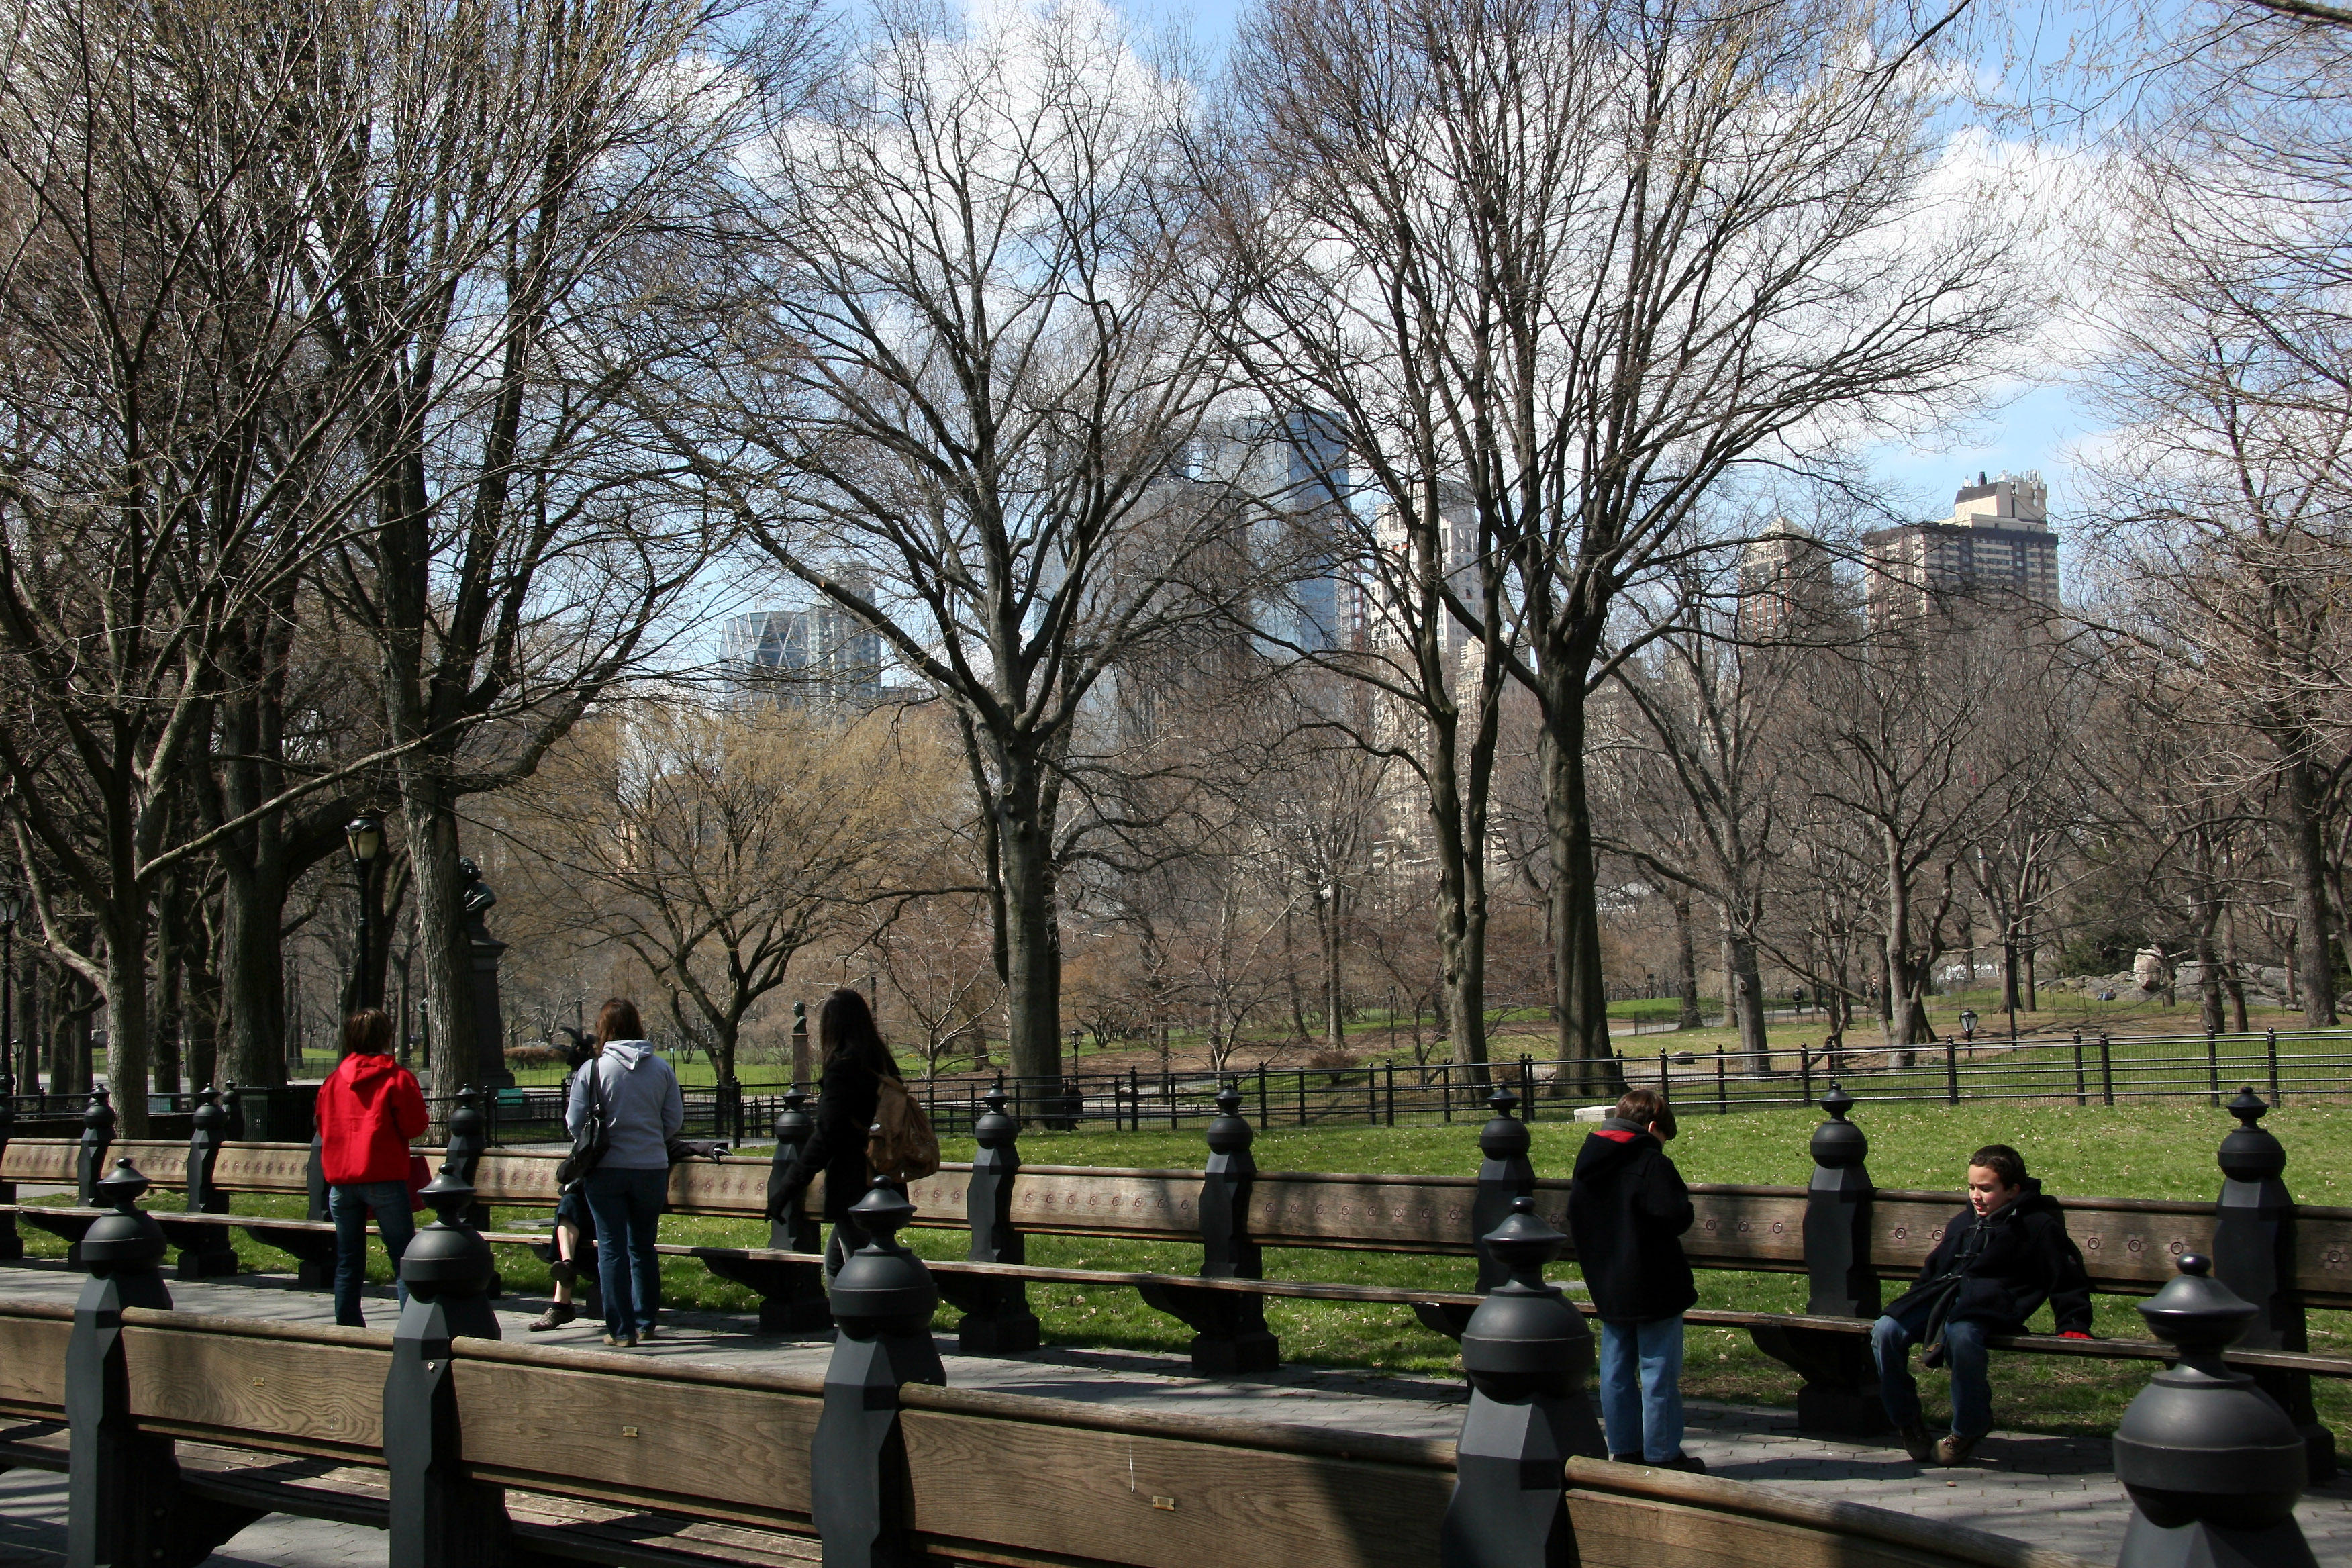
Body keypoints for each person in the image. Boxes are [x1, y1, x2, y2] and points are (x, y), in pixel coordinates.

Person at [1872, 1144, 2093, 1466]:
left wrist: (2073, 1322)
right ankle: (1907, 1421)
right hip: (1941, 1299)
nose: (1976, 1196)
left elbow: (2065, 1274)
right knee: (1885, 1330)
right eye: (1972, 1187)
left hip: (1990, 1305)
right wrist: (1912, 1303)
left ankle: (1967, 1427)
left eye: (1986, 1189)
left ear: (2013, 1191)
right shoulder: (1963, 1222)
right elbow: (1933, 1272)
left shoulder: (2035, 1226)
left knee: (1962, 1336)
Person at [1567, 1087, 1704, 1473]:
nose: (1663, 1144)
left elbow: (1577, 1214)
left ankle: (1624, 1448)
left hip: (1608, 1279)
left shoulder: (1590, 1160)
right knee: (1658, 1370)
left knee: (1615, 1369)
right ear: (1653, 1127)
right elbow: (1675, 1216)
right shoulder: (1650, 1163)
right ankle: (1662, 1454)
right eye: (1663, 1136)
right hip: (1654, 1280)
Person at [564, 999, 683, 1348]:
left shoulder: (594, 1070)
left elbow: (574, 1122)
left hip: (606, 1169)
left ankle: (621, 1330)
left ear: (604, 1030)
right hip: (650, 1168)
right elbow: (673, 1120)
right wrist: (650, 1139)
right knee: (643, 1247)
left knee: (611, 1248)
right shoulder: (661, 1069)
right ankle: (646, 1321)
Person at [768, 987, 901, 1282]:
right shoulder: (882, 1063)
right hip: (886, 1180)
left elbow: (826, 1136)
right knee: (839, 1264)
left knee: (859, 1273)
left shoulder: (844, 1070)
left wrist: (787, 1189)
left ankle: (865, 1327)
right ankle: (856, 1325)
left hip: (855, 1183)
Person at [316, 1010, 430, 1328]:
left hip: (341, 1179)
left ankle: (348, 1327)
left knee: (348, 1261)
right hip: (383, 1176)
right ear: (385, 1037)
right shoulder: (396, 1078)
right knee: (402, 1258)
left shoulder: (333, 1080)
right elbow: (414, 1125)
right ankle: (412, 1329)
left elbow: (324, 1126)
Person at [530, 1029, 599, 1332]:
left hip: (615, 1183)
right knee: (570, 1201)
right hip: (593, 1181)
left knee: (572, 1205)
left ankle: (562, 1302)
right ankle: (567, 1267)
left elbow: (573, 1123)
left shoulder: (596, 1073)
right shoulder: (593, 1072)